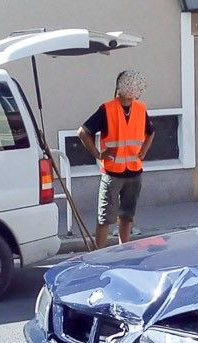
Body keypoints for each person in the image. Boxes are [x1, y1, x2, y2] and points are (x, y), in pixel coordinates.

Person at [78, 70, 155, 248]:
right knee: (105, 217)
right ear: (121, 87)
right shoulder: (107, 109)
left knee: (127, 216)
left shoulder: (140, 108)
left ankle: (123, 250)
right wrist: (97, 154)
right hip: (113, 173)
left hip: (134, 172)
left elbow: (150, 133)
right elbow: (83, 132)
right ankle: (98, 255)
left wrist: (143, 152)